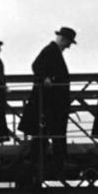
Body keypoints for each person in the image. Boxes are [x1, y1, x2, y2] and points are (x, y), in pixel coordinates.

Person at [29, 28, 76, 160]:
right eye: (68, 43)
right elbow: (36, 65)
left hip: (52, 100)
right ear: (63, 39)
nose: (68, 46)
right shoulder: (51, 50)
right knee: (57, 130)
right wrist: (45, 77)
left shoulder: (52, 50)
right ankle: (59, 160)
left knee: (48, 131)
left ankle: (37, 159)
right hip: (53, 101)